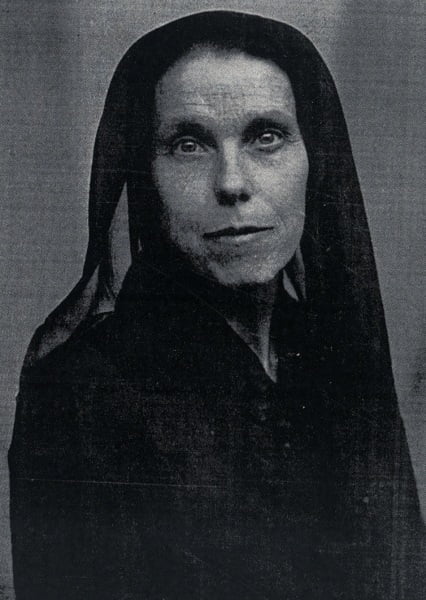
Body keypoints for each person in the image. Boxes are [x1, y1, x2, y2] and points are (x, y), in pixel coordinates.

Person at [8, 10, 424, 600]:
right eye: (188, 144)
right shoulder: (83, 390)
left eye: (266, 136)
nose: (231, 183)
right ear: (145, 177)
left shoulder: (330, 356)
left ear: (314, 159)